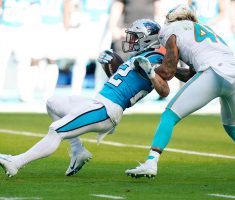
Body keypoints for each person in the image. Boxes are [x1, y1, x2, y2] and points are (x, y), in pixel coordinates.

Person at [0, 19, 169, 177]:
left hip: (107, 109)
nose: (131, 40)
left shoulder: (155, 58)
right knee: (53, 103)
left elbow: (164, 89)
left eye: (135, 37)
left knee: (57, 129)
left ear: (148, 39)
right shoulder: (140, 57)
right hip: (99, 102)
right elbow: (123, 82)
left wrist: (151, 71)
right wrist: (111, 65)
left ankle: (16, 162)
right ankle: (78, 150)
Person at [125, 4, 235, 182]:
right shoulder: (203, 30)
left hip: (213, 73)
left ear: (171, 19)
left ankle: (151, 163)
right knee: (234, 127)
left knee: (169, 116)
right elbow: (190, 76)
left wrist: (152, 69)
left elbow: (168, 73)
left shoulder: (170, 30)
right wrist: (165, 69)